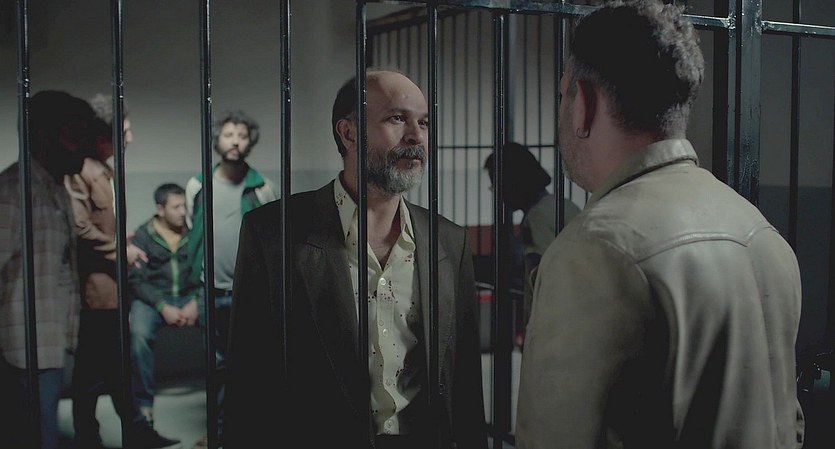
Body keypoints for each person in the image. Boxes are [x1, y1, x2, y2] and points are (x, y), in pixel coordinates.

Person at [515, 1, 805, 448]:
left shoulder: (597, 250)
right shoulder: (761, 231)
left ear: (583, 104)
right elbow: (789, 426)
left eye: (562, 95)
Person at [224, 70, 488, 449]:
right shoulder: (273, 234)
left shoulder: (448, 240)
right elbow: (248, 377)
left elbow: (464, 378)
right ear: (348, 134)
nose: (416, 136)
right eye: (397, 118)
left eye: (424, 123)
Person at [64, 95, 180, 449]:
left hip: (112, 290)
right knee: (94, 373)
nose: (130, 138)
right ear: (104, 135)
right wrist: (122, 250)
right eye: (125, 131)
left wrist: (119, 239)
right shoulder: (81, 172)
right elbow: (79, 229)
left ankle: (130, 431)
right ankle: (97, 436)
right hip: (94, 293)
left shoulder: (105, 171)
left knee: (113, 368)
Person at [0, 90, 96, 449]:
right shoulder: (15, 191)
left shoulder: (54, 190)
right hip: (20, 353)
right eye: (75, 134)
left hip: (46, 345)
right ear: (43, 137)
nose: (85, 146)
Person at [184, 109, 278, 447]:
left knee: (250, 365)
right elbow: (191, 234)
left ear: (250, 142)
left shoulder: (264, 188)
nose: (235, 141)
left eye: (241, 135)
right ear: (217, 140)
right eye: (228, 135)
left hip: (249, 292)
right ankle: (217, 433)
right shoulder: (197, 186)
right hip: (209, 291)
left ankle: (243, 432)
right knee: (215, 367)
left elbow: (274, 240)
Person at [483, 142, 581, 342]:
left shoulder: (538, 218)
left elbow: (542, 280)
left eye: (497, 186)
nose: (498, 195)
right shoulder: (563, 205)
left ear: (512, 184)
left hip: (554, 332)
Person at [129, 183, 202, 442]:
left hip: (189, 295)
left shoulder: (194, 231)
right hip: (154, 299)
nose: (183, 212)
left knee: (225, 324)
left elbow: (206, 268)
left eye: (184, 206)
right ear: (160, 209)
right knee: (138, 336)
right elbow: (136, 280)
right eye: (176, 207)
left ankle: (229, 403)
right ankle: (144, 408)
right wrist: (162, 306)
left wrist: (196, 300)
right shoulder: (143, 235)